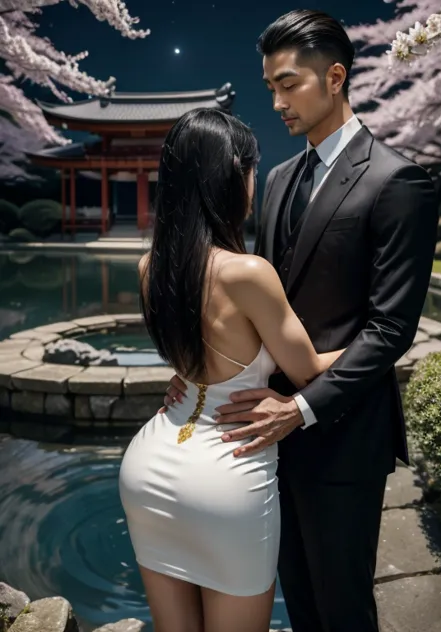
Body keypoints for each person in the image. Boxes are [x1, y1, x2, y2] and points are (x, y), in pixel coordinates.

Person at [162, 9, 439, 632]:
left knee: (343, 609)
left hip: (341, 435)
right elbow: (256, 308)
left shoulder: (399, 183)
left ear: (335, 77)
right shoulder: (281, 178)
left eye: (288, 84)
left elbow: (391, 329)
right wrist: (195, 369)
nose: (278, 101)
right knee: (299, 602)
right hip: (261, 440)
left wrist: (301, 408)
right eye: (270, 89)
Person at [118, 107, 344, 632]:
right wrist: (382, 340)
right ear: (230, 178)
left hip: (149, 465)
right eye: (250, 172)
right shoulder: (246, 273)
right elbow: (308, 370)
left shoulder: (150, 267)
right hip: (227, 472)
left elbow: (190, 365)